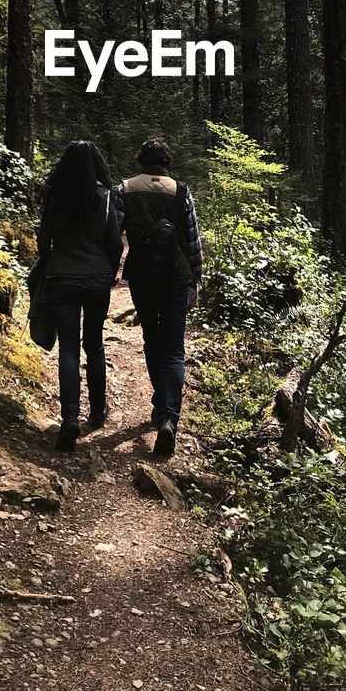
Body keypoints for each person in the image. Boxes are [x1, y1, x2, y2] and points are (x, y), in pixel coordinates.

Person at [118, 137, 203, 458]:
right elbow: (193, 239)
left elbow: (115, 232)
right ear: (167, 160)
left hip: (142, 276)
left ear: (141, 159)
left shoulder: (125, 189)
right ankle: (168, 415)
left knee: (152, 340)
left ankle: (160, 401)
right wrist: (197, 278)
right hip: (176, 277)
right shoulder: (181, 191)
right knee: (174, 348)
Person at [37, 140, 124, 453]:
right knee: (95, 344)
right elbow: (115, 243)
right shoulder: (104, 197)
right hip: (97, 280)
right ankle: (98, 413)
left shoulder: (55, 198)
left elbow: (43, 241)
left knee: (69, 347)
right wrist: (110, 271)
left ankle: (70, 416)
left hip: (61, 278)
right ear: (96, 165)